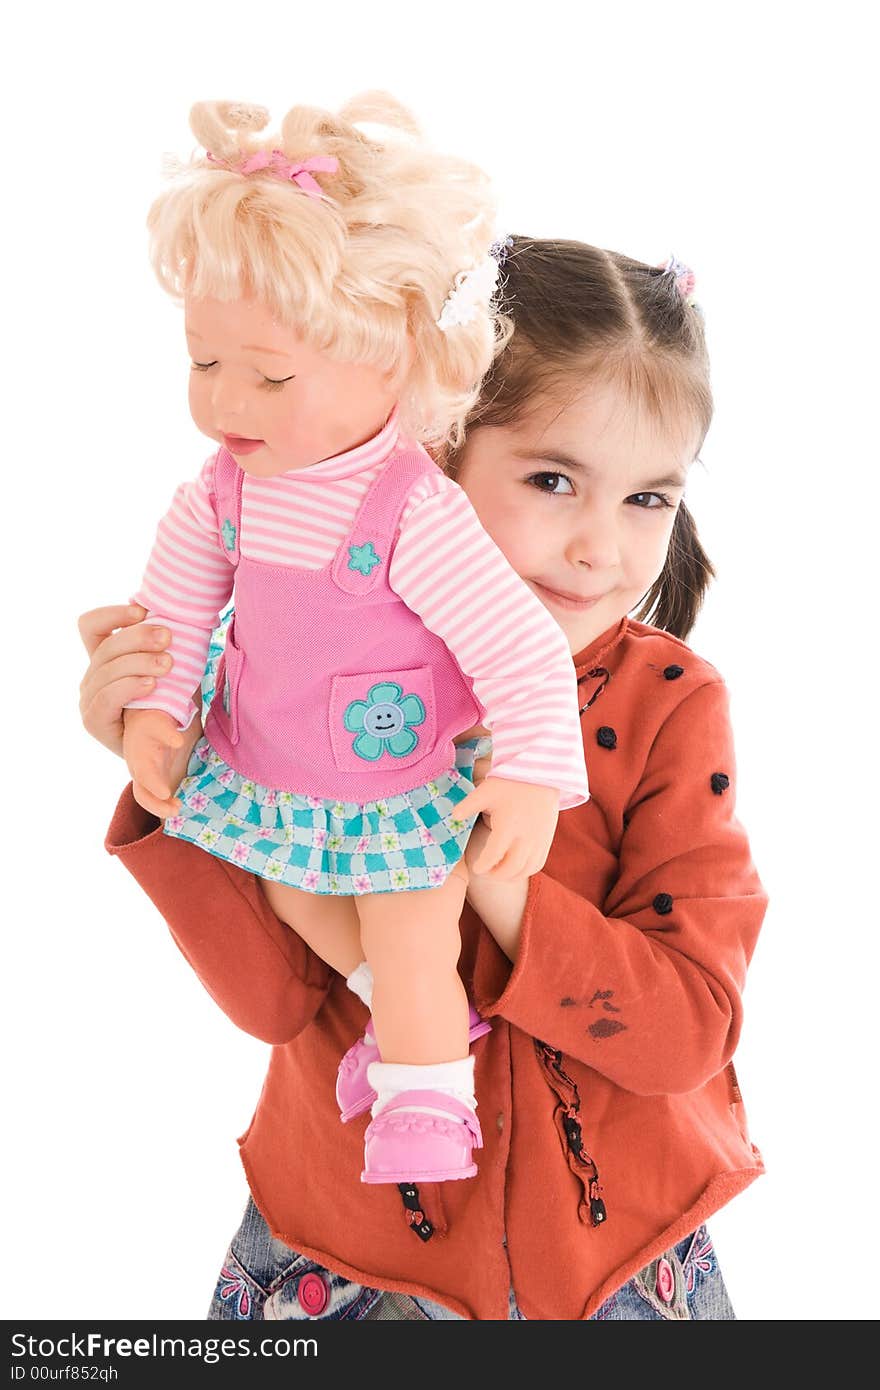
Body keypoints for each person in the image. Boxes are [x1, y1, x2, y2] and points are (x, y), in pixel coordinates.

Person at [79, 236, 768, 1321]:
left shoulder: (668, 702)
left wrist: (489, 869)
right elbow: (271, 999)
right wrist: (160, 759)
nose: (600, 547)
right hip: (345, 1255)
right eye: (551, 479)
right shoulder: (291, 686)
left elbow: (684, 1029)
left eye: (648, 498)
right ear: (428, 457)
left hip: (617, 1266)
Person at [120, 92, 588, 1189]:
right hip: (273, 761)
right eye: (204, 362)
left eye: (270, 375)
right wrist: (156, 705)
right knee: (292, 891)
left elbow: (514, 645)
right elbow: (178, 602)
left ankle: (425, 1107)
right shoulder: (226, 488)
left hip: (396, 778)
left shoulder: (409, 510)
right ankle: (404, 1021)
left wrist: (527, 775)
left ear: (396, 358)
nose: (226, 401)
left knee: (413, 927)